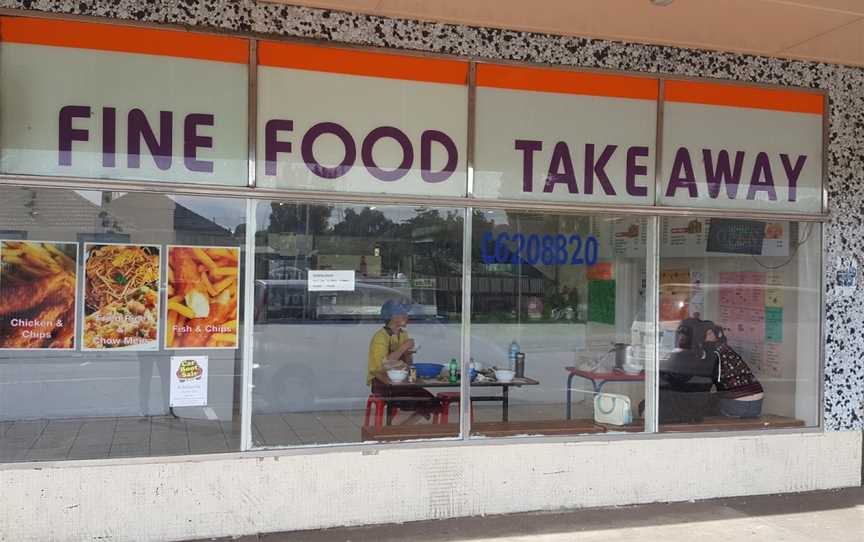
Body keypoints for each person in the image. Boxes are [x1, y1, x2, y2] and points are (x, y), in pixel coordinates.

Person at [367, 300, 439, 423]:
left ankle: (402, 428)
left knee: (432, 402)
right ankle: (397, 430)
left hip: (402, 382)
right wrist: (403, 348)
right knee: (410, 401)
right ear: (392, 317)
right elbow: (381, 366)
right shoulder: (380, 337)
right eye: (402, 314)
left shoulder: (403, 334)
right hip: (382, 383)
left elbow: (407, 363)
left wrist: (409, 353)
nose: (406, 317)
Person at [704, 326, 764, 418]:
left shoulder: (714, 353)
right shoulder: (727, 349)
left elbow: (711, 382)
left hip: (737, 400)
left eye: (708, 333)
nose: (705, 335)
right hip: (757, 397)